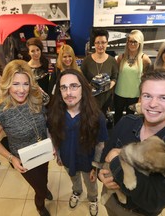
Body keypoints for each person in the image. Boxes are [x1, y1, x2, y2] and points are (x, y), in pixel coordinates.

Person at [98, 69, 165, 216]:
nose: (153, 104)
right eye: (147, 96)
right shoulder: (126, 122)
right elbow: (104, 156)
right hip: (111, 198)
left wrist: (117, 158)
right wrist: (100, 175)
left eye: (164, 98)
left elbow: (153, 200)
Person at [0, 59, 52, 216]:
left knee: (44, 176)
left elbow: (45, 124)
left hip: (43, 150)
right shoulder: (1, 112)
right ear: (7, 84)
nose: (21, 90)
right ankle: (40, 204)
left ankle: (44, 188)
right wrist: (11, 158)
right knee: (39, 187)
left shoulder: (36, 100)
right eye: (16, 84)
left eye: (25, 84)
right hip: (24, 159)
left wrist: (52, 143)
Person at [47, 69, 108, 216]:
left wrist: (96, 166)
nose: (68, 92)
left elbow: (100, 143)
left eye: (74, 86)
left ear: (83, 88)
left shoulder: (96, 116)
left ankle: (92, 199)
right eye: (64, 87)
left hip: (88, 161)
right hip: (68, 158)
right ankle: (77, 191)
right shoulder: (55, 113)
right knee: (73, 177)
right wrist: (58, 154)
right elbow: (53, 134)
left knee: (91, 183)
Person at [114, 30, 151, 124]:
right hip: (119, 93)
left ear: (140, 43)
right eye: (130, 41)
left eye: (135, 41)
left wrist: (142, 96)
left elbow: (146, 80)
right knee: (117, 117)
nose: (132, 44)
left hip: (134, 95)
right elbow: (116, 76)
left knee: (130, 119)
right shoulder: (121, 58)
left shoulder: (145, 59)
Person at [81, 29, 118, 114]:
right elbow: (82, 78)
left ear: (107, 43)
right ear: (94, 44)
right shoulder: (87, 60)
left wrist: (105, 87)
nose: (100, 45)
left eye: (103, 42)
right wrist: (90, 88)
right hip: (90, 98)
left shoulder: (112, 61)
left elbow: (114, 78)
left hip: (106, 98)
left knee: (102, 119)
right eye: (97, 42)